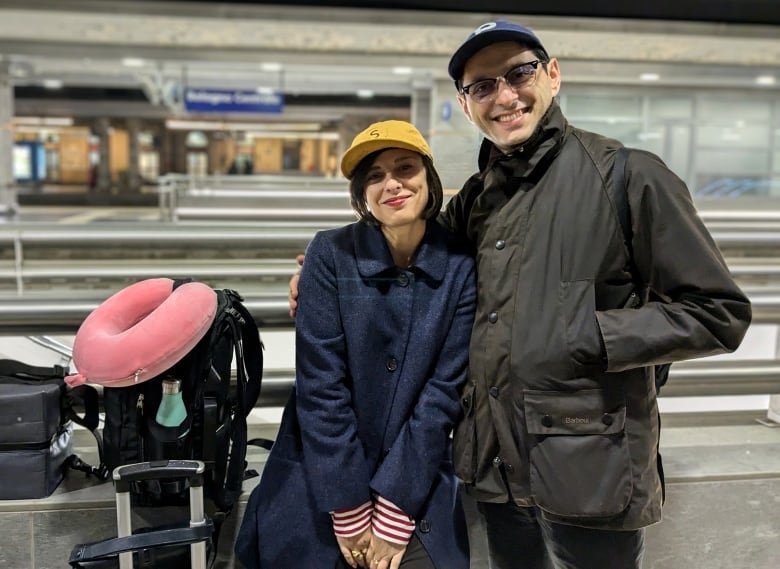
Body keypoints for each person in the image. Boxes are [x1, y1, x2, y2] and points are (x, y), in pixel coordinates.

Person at [290, 20, 752, 569]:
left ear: (553, 75)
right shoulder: (478, 201)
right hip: (495, 468)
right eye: (483, 86)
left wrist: (586, 333)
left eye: (519, 73)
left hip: (590, 466)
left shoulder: (628, 177)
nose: (505, 96)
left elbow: (717, 312)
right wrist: (324, 270)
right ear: (467, 106)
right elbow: (413, 247)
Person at [237, 120, 475, 569]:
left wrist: (394, 511)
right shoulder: (330, 254)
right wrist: (348, 509)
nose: (392, 184)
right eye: (375, 176)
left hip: (415, 475)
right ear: (361, 195)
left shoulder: (460, 264)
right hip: (323, 472)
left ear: (429, 177)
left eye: (405, 168)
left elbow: (444, 391)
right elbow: (321, 384)